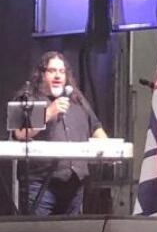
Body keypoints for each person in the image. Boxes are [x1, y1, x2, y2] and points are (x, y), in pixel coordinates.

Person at [12, 51, 108, 216]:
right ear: (41, 74)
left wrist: (106, 147)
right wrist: (48, 113)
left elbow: (96, 128)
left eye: (62, 72)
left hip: (74, 183)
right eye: (52, 71)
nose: (58, 76)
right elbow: (19, 133)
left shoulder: (77, 99)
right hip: (40, 184)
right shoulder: (26, 98)